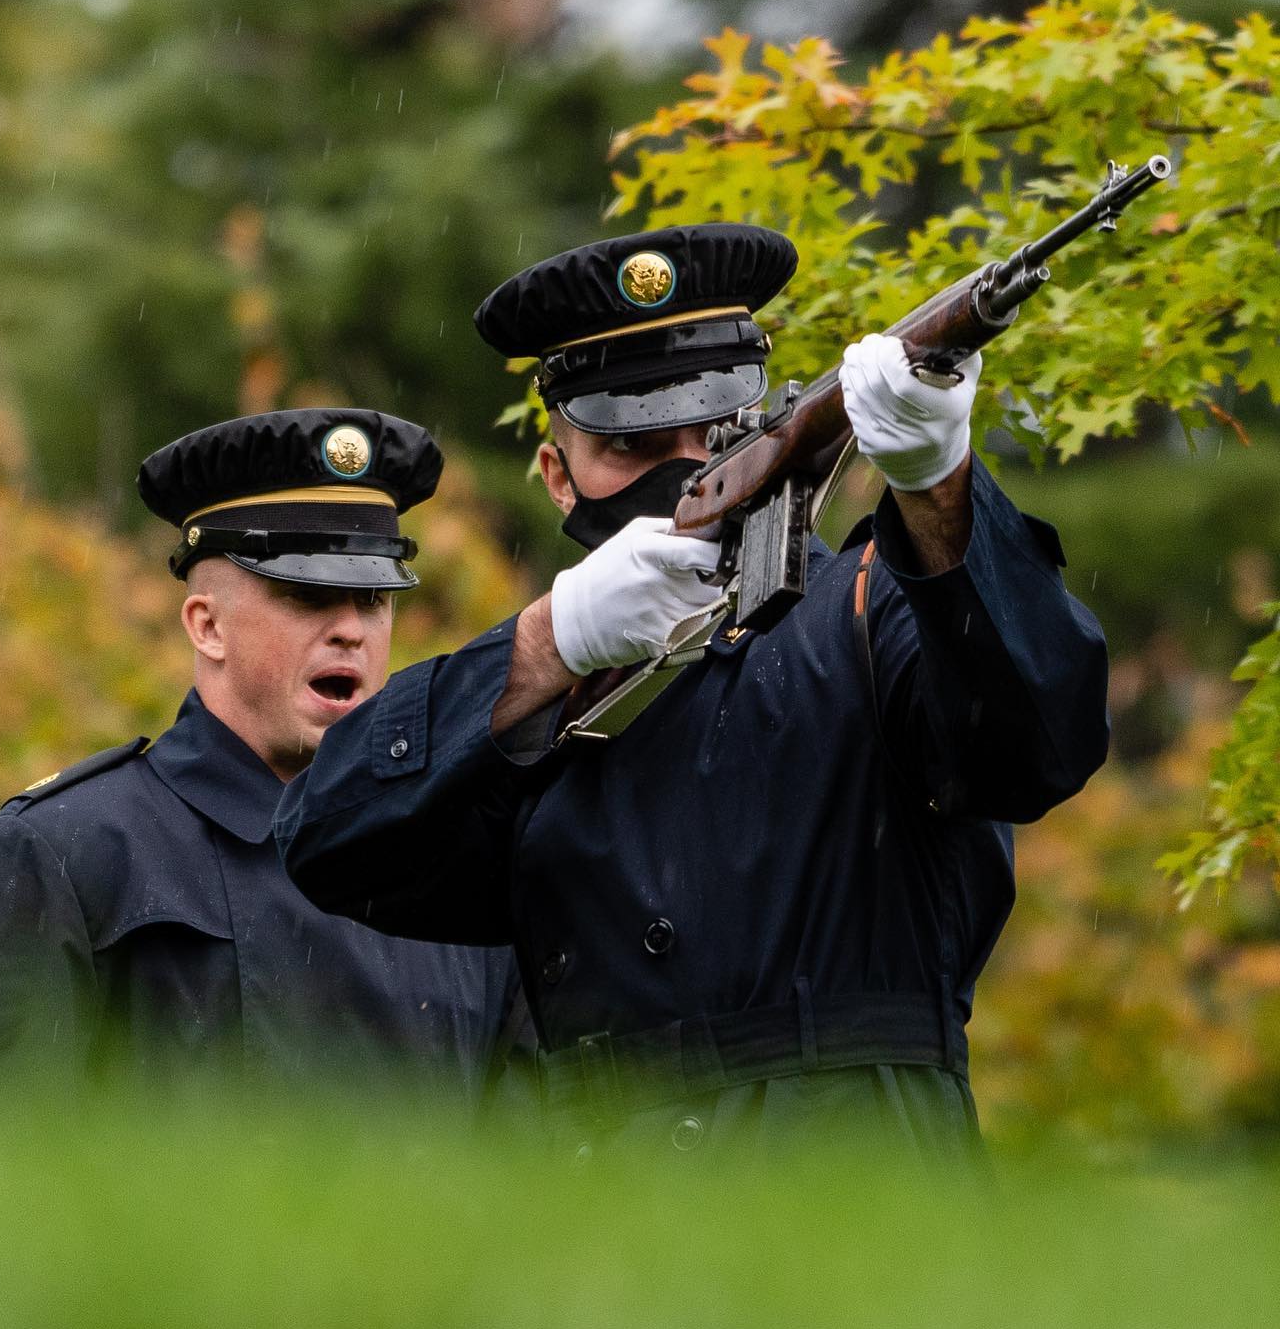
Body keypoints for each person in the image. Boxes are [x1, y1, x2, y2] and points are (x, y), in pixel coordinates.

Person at [274, 226, 1110, 1160]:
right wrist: (549, 641)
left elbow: (1045, 736)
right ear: (559, 476)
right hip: (616, 1235)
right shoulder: (539, 687)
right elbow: (326, 837)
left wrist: (941, 487)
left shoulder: (881, 603)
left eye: (713, 427)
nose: (681, 462)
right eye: (632, 441)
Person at [0, 407, 521, 1111]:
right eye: (309, 596)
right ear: (207, 625)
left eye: (374, 598)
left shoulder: (459, 862)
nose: (351, 629)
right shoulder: (67, 854)